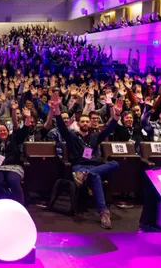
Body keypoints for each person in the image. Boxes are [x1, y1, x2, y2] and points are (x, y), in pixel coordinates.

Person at [51, 92, 121, 229]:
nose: (85, 123)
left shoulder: (95, 137)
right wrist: (57, 109)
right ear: (78, 123)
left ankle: (85, 176)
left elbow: (108, 130)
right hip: (79, 167)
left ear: (90, 123)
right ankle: (103, 212)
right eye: (82, 121)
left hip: (93, 167)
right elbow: (61, 127)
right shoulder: (72, 136)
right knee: (95, 176)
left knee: (115, 163)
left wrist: (117, 115)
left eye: (87, 121)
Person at [0, 106, 33, 204]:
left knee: (14, 180)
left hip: (13, 167)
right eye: (0, 131)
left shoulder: (14, 139)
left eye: (4, 130)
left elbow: (24, 131)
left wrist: (27, 118)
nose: (2, 132)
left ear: (8, 132)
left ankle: (19, 206)